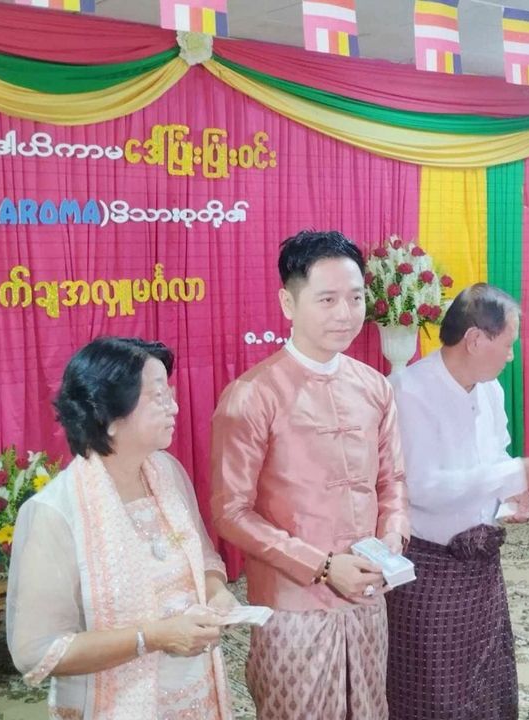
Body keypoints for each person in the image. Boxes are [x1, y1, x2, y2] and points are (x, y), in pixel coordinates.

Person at [210, 230, 409, 720]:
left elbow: (393, 482)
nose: (346, 313)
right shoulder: (252, 395)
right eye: (327, 299)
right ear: (288, 303)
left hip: (367, 597)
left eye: (356, 298)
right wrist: (320, 566)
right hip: (292, 607)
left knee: (369, 709)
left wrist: (391, 542)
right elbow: (230, 512)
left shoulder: (374, 386)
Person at [7, 336, 235, 720]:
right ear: (110, 417)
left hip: (195, 692)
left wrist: (217, 592)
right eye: (158, 397)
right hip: (113, 704)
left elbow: (204, 559)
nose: (175, 407)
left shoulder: (166, 473)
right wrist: (152, 637)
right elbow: (39, 650)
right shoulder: (56, 512)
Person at [386, 283, 529, 720]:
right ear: (475, 339)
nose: (511, 356)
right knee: (431, 692)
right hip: (429, 569)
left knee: (487, 684)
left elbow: (495, 452)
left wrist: (513, 489)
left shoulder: (490, 390)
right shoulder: (407, 390)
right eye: (508, 345)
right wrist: (509, 474)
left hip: (481, 562)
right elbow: (422, 487)